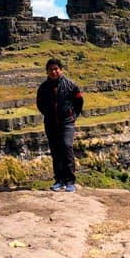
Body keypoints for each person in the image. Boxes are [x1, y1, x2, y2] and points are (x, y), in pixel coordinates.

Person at [36, 57, 84, 192]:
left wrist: (72, 116)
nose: (53, 72)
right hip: (50, 123)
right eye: (50, 69)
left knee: (66, 147)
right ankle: (59, 180)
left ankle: (70, 181)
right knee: (55, 151)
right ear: (47, 71)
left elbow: (79, 102)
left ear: (61, 70)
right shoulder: (43, 88)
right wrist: (48, 114)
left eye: (56, 69)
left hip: (67, 123)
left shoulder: (71, 85)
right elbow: (40, 105)